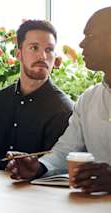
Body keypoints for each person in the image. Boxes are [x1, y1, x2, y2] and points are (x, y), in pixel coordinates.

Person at [6, 7, 111, 194]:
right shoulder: (88, 99)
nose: (81, 44)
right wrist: (38, 167)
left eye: (91, 36)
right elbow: (65, 151)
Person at [0, 20, 73, 170]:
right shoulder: (0, 99)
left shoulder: (63, 108)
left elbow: (55, 166)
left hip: (38, 190)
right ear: (19, 54)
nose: (43, 56)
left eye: (49, 50)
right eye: (34, 48)